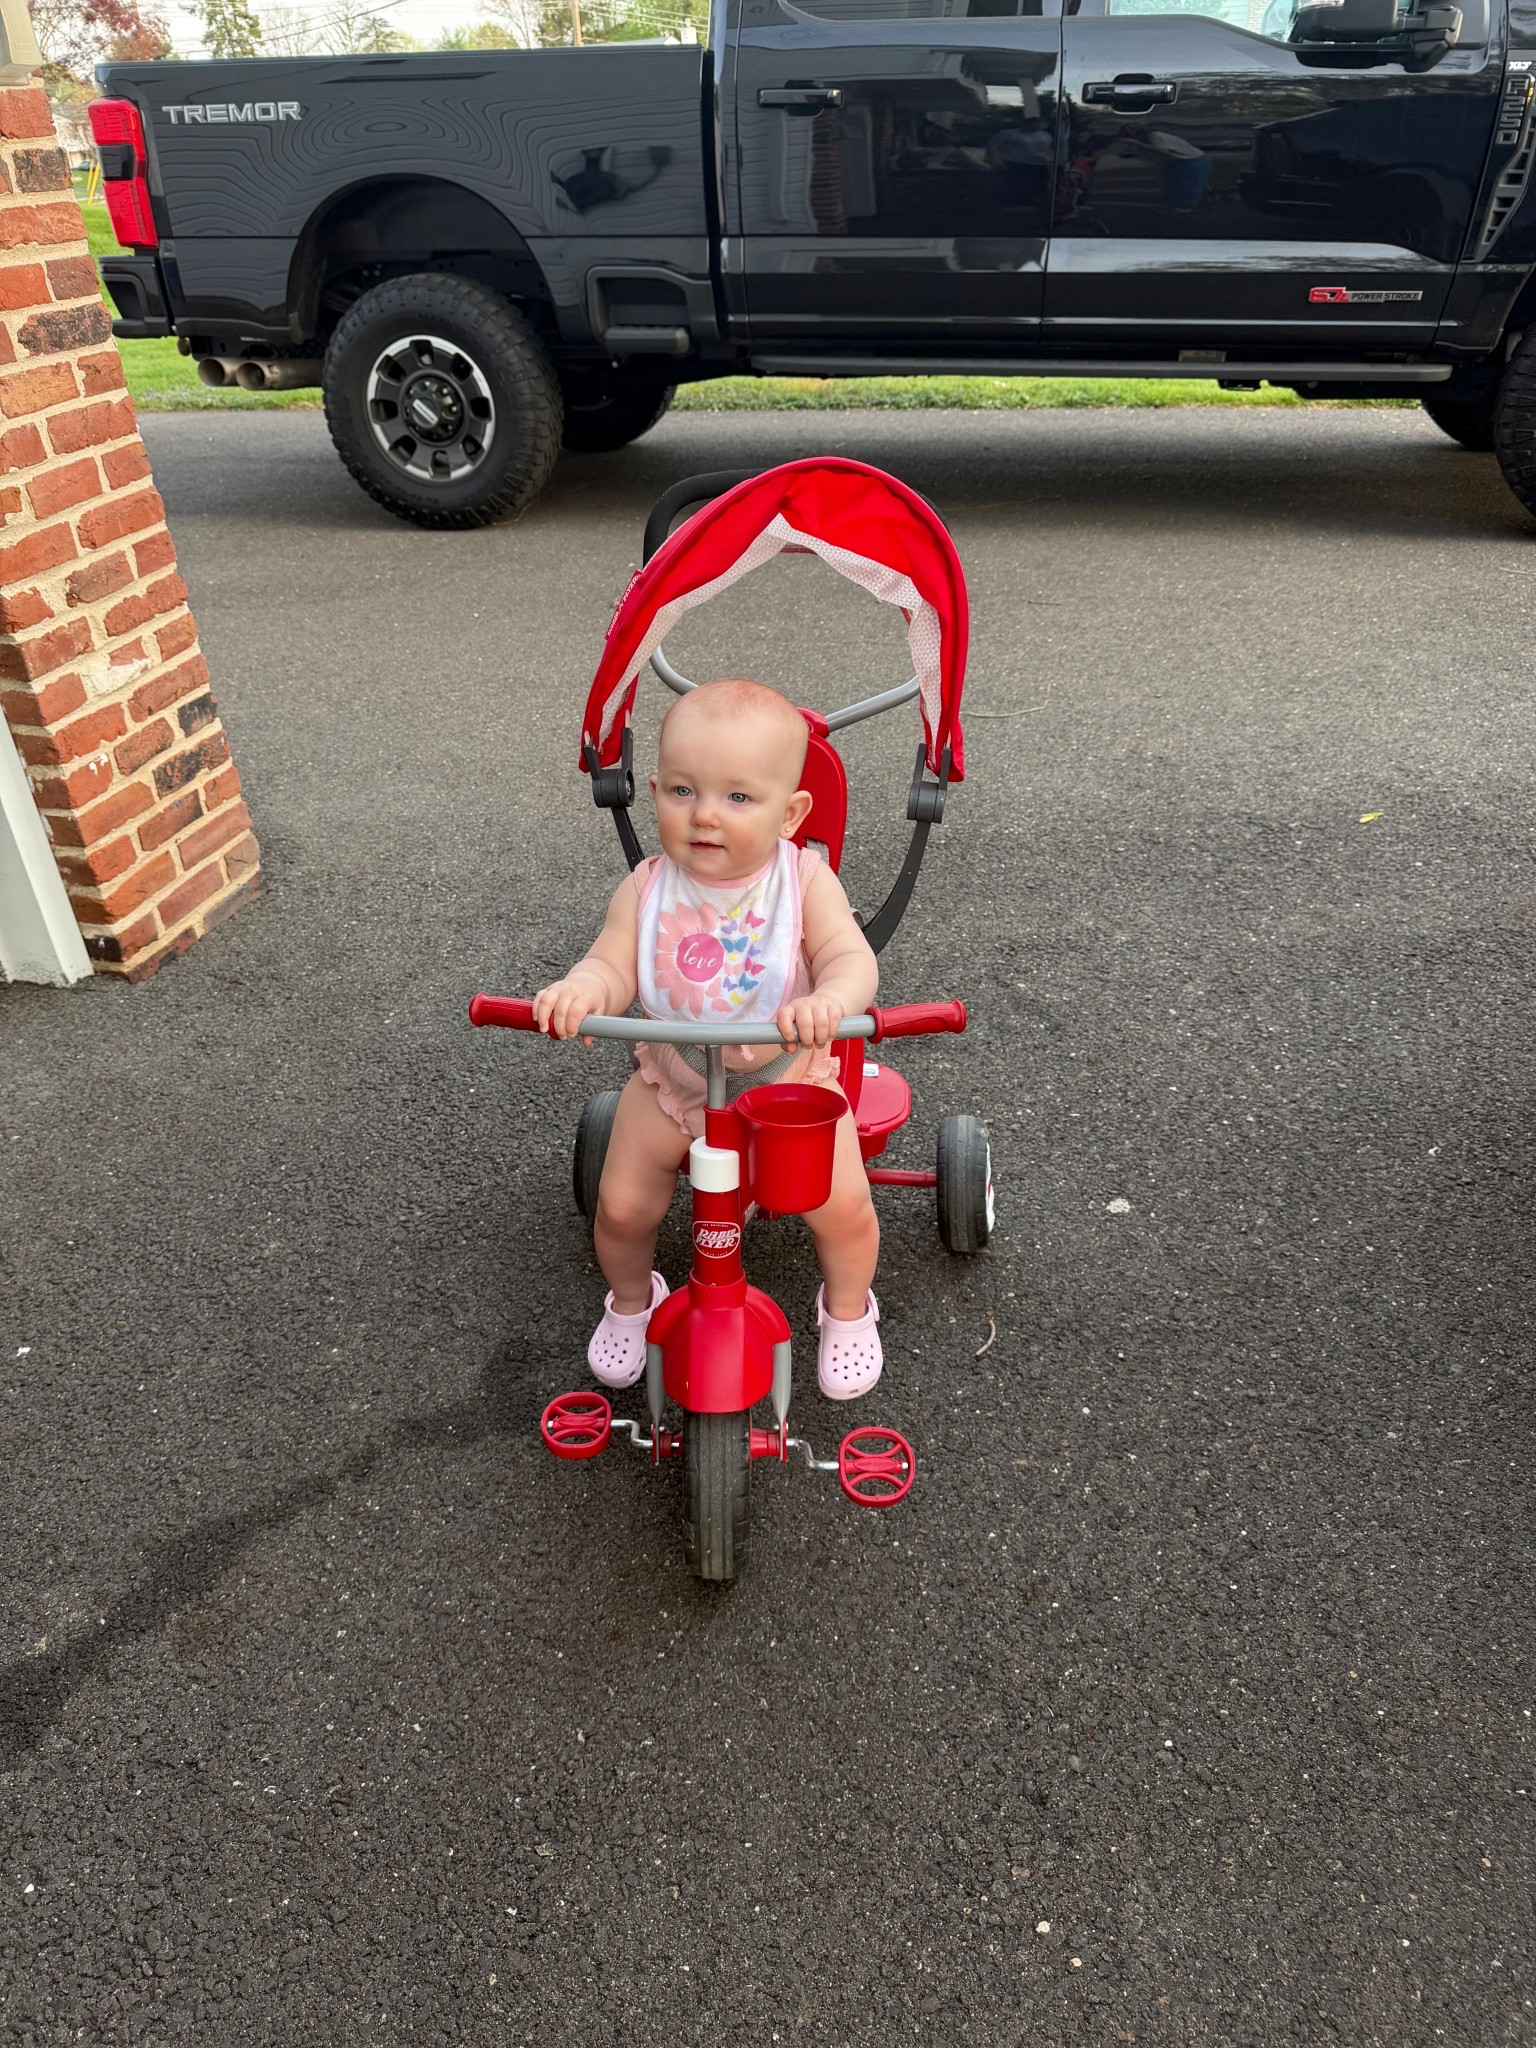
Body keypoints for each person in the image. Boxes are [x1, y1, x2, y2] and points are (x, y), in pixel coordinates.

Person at [533, 677, 884, 1401]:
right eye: (684, 792)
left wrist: (829, 998)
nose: (706, 817)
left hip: (788, 1087)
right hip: (674, 1081)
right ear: (654, 790)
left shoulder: (803, 883)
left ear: (790, 815)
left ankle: (847, 1310)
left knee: (842, 1207)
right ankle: (632, 1300)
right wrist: (582, 992)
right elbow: (612, 960)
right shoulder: (647, 887)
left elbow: (853, 960)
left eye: (738, 798)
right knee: (623, 1207)